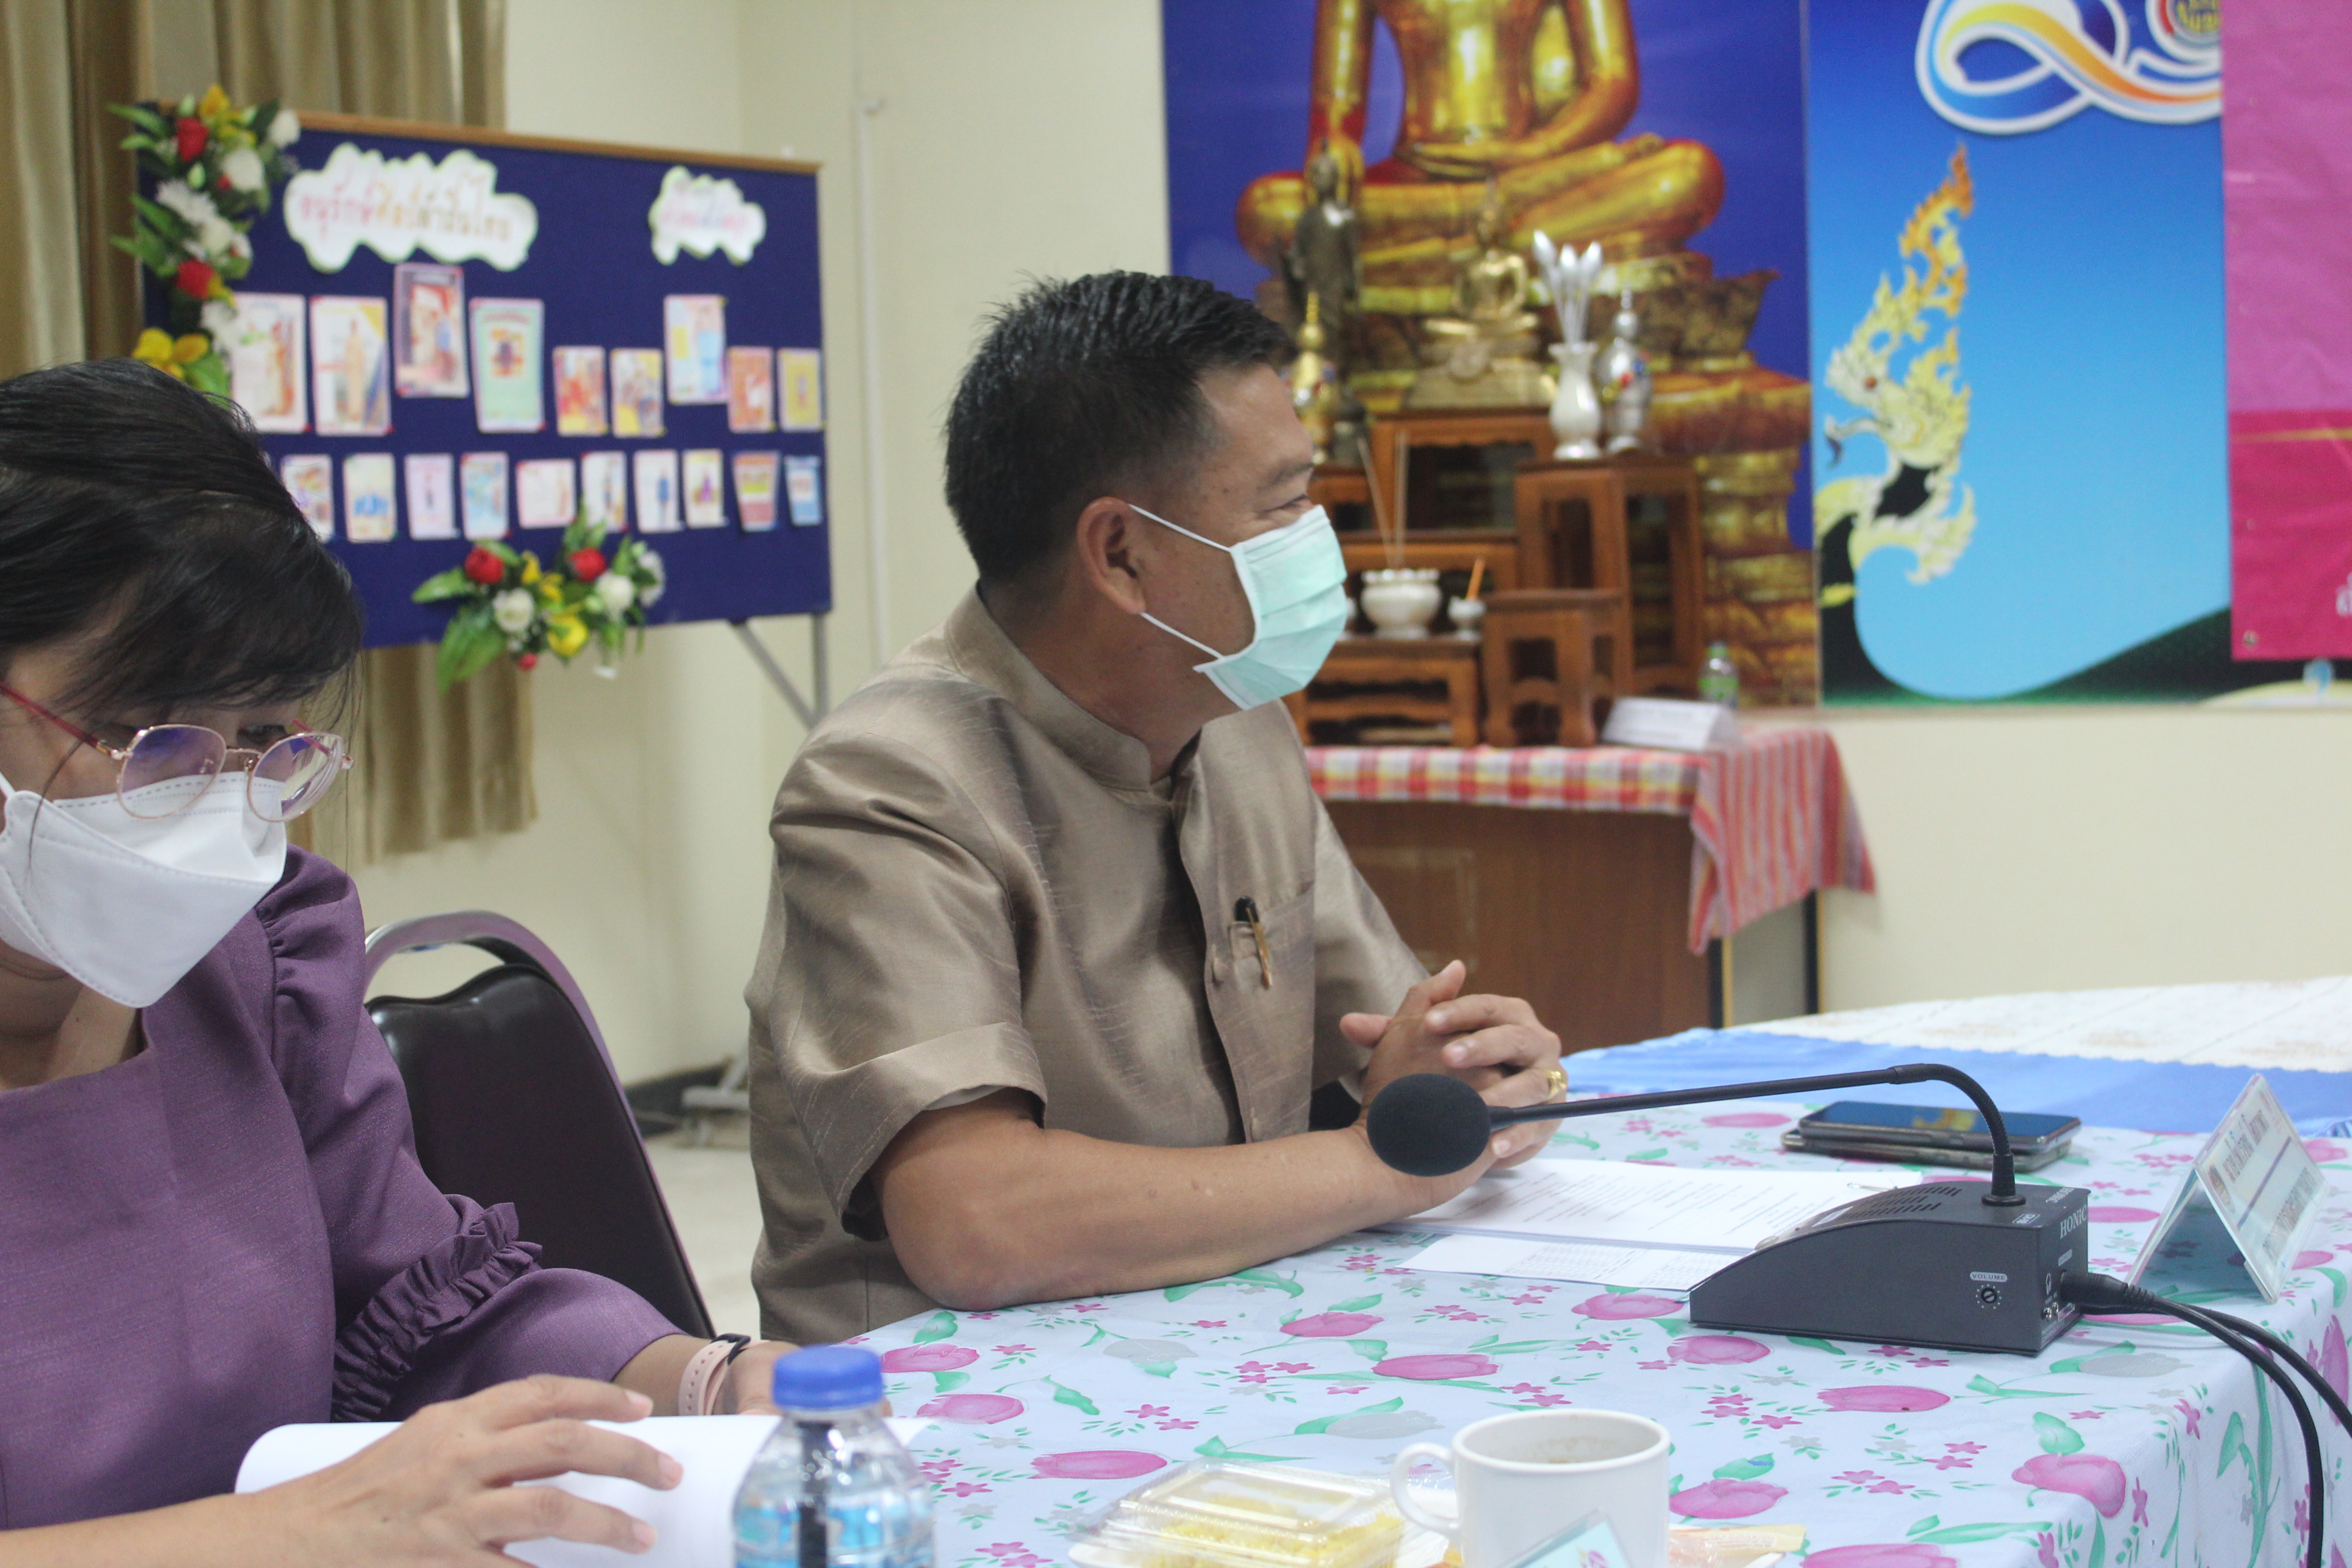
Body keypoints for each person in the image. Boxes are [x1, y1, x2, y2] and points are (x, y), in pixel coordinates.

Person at [0, 360, 788, 1560]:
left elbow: (427, 1311)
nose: (218, 804)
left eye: (265, 744)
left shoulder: (248, 970)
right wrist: (276, 1534)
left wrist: (705, 1385)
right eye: (151, 738)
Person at [746, 272, 1567, 1343]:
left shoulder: (1236, 720)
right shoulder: (886, 786)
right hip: (949, 1417)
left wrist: (1483, 1070)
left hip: (1229, 1339)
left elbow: (1397, 1047)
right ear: (1123, 556)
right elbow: (977, 1222)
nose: (1320, 538)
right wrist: (1379, 1160)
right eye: (1283, 503)